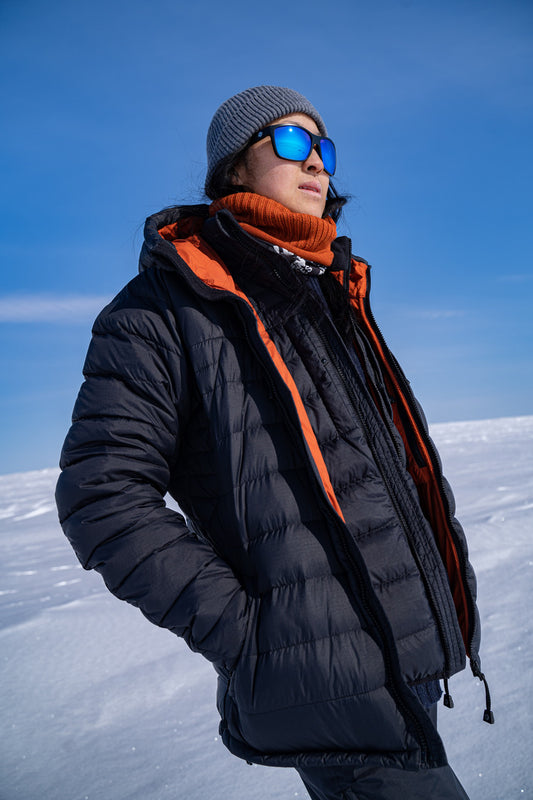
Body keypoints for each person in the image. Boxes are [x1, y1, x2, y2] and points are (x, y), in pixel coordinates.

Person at [56, 85, 492, 800]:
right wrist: (254, 637)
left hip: (401, 666)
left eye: (324, 146)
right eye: (291, 143)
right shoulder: (164, 309)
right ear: (233, 167)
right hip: (333, 689)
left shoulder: (325, 292)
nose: (316, 162)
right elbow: (100, 495)